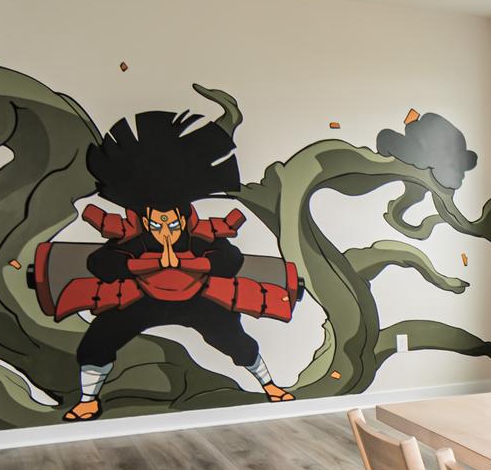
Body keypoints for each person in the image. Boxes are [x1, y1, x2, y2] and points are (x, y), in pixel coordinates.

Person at [43, 110, 302, 420]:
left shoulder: (199, 236)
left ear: (181, 217)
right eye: (155, 220)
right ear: (146, 217)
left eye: (169, 220)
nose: (162, 226)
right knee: (98, 341)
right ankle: (88, 400)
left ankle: (270, 385)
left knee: (237, 341)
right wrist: (140, 264)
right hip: (141, 299)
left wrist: (188, 261)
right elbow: (101, 262)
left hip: (197, 298)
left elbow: (230, 259)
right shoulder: (136, 238)